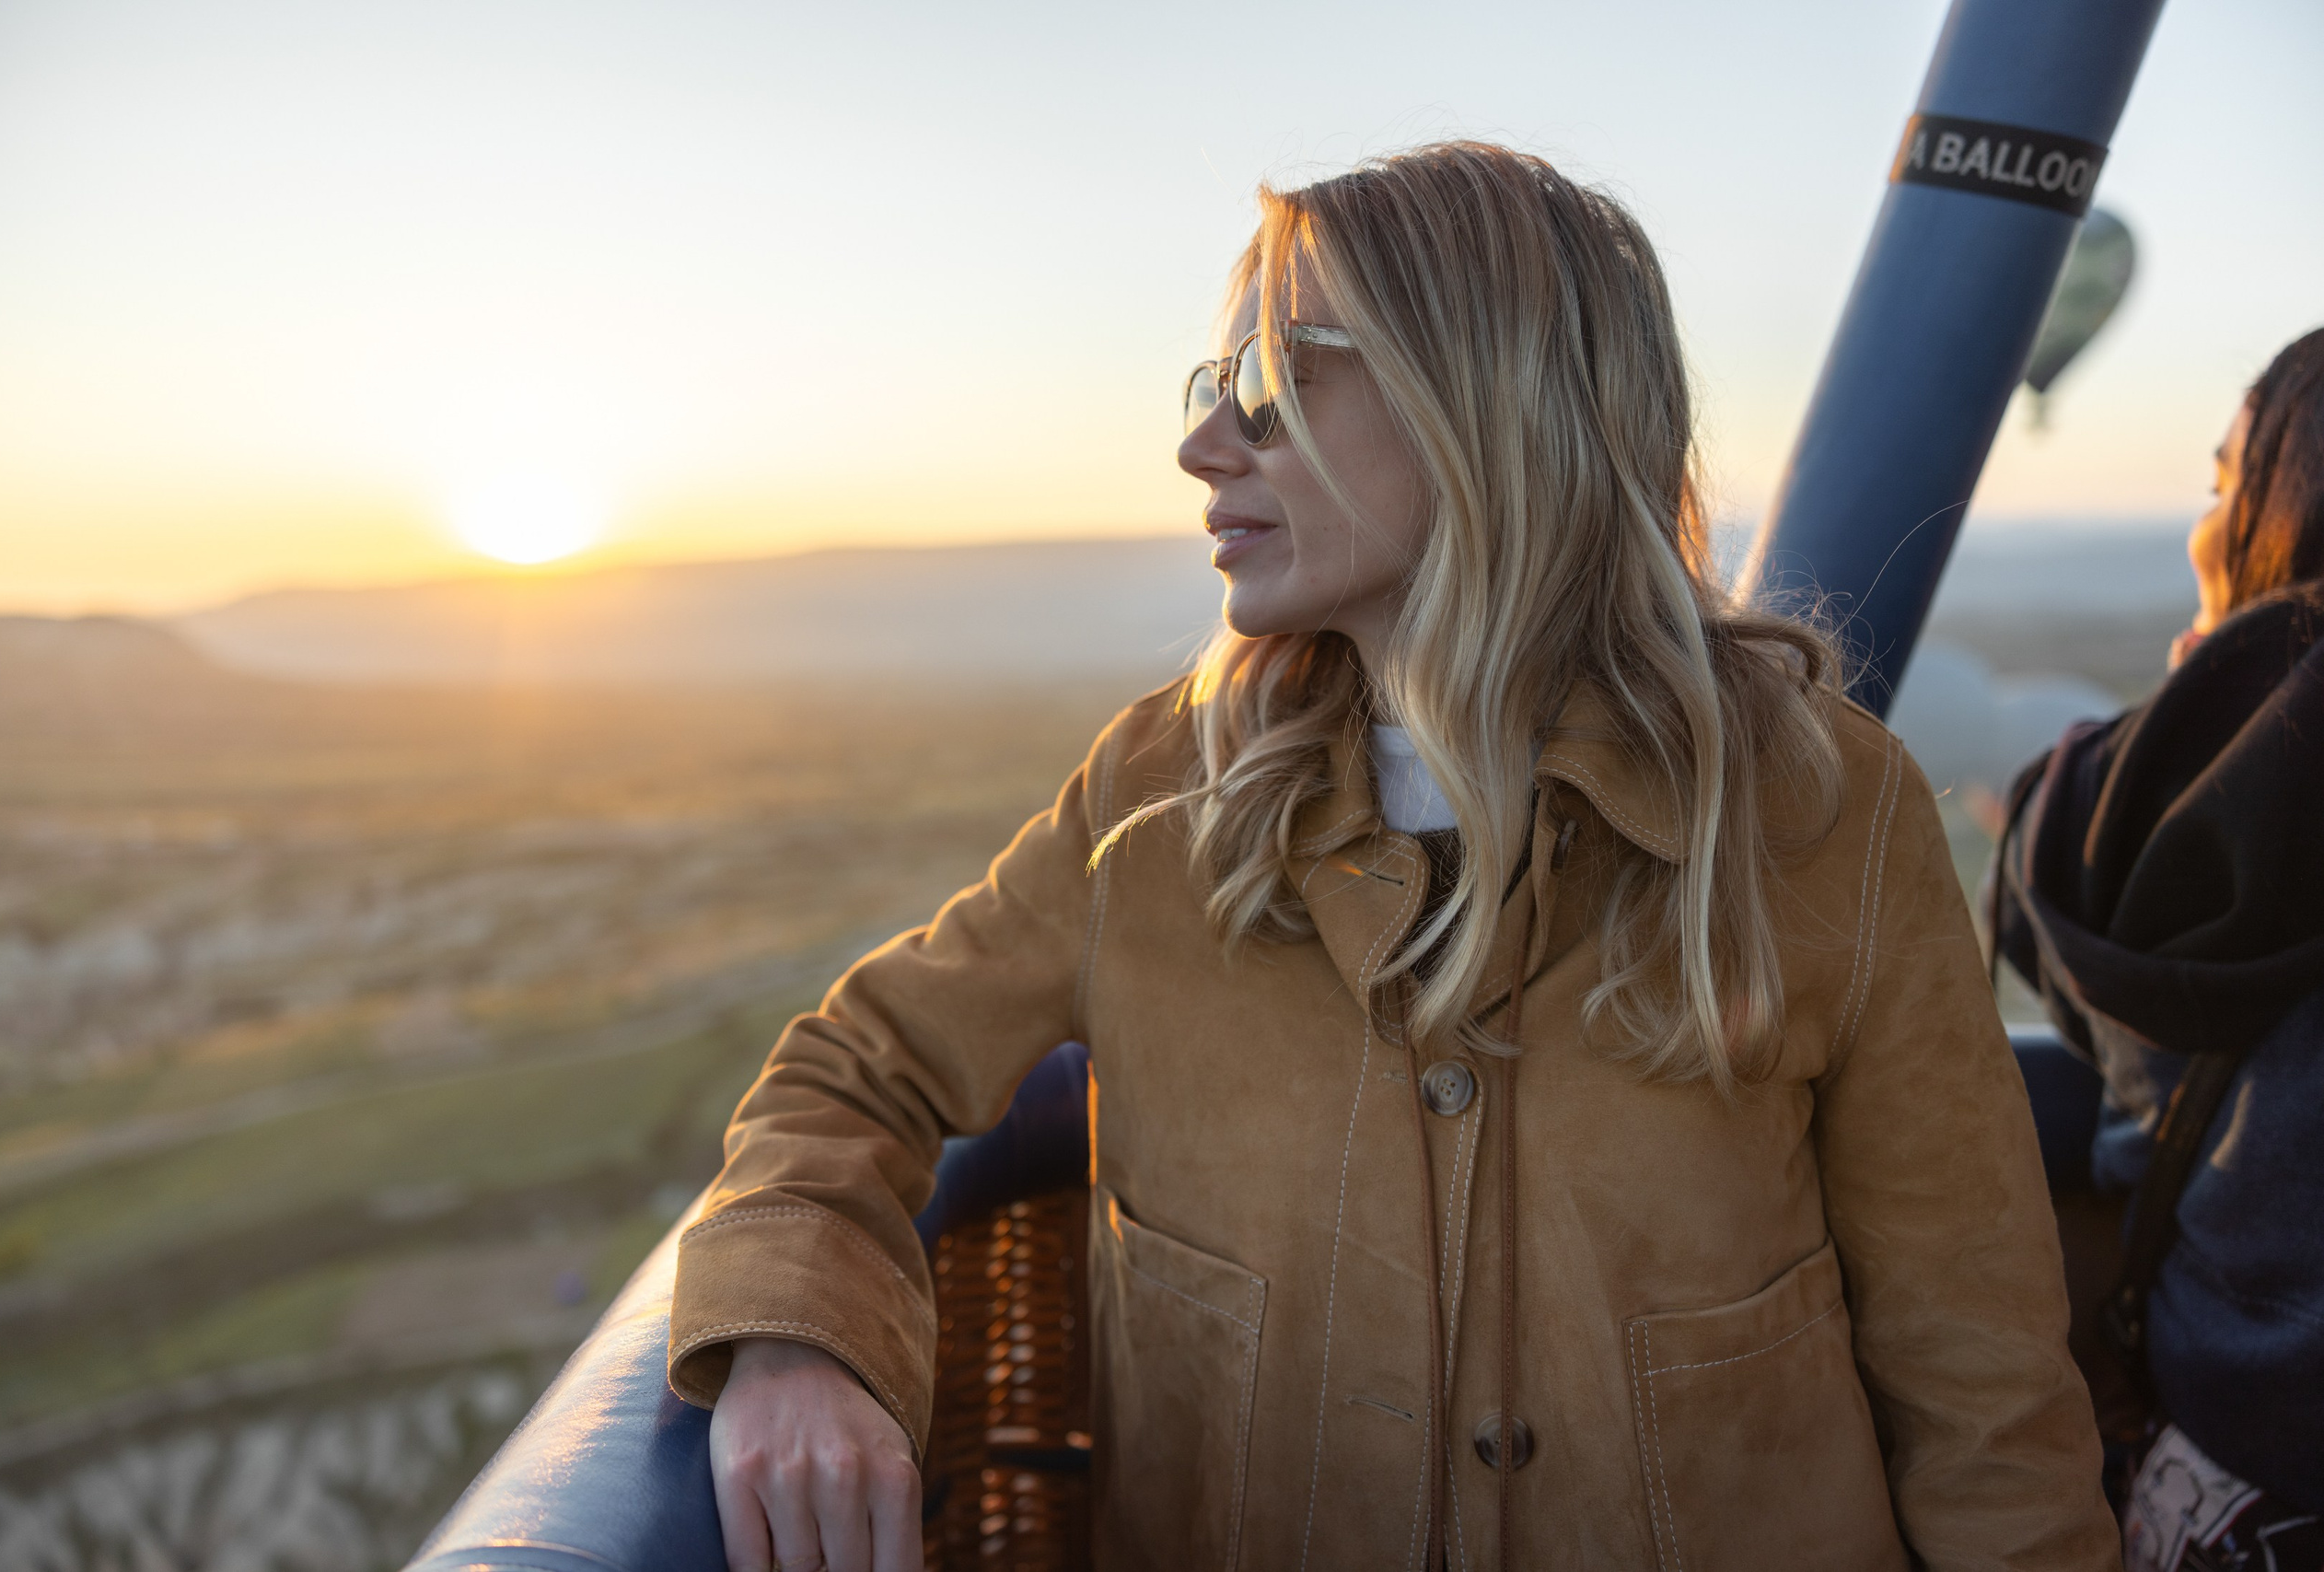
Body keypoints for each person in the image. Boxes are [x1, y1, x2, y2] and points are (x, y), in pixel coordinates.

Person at [671, 143, 2115, 1572]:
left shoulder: (1822, 811)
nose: (1202, 444)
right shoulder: (1156, 802)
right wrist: (794, 1339)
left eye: (1271, 378)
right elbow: (854, 1066)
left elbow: (1979, 1382)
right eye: (1210, 385)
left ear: (1483, 400)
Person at [1992, 329, 2324, 1572]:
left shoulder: (2115, 791)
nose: (2204, 527)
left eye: (2226, 481)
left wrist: (2201, 694)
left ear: (2283, 506)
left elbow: (2036, 900)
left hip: (2242, 1468)